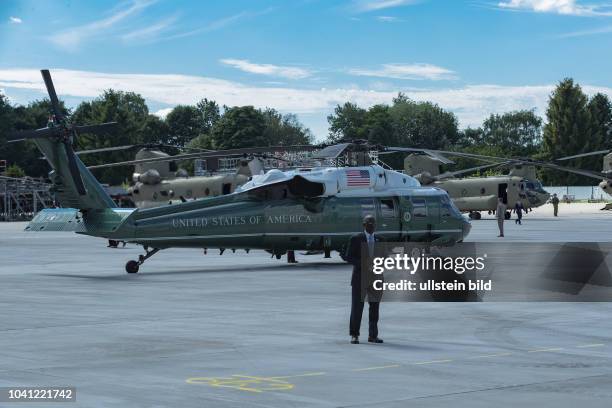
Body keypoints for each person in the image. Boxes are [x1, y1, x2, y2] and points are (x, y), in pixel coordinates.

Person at [345, 215, 383, 345]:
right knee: (357, 308)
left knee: (374, 308)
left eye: (373, 223)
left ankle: (373, 335)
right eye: (368, 223)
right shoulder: (356, 239)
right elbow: (348, 257)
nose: (371, 225)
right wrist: (364, 263)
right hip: (359, 279)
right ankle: (354, 335)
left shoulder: (380, 239)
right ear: (364, 225)